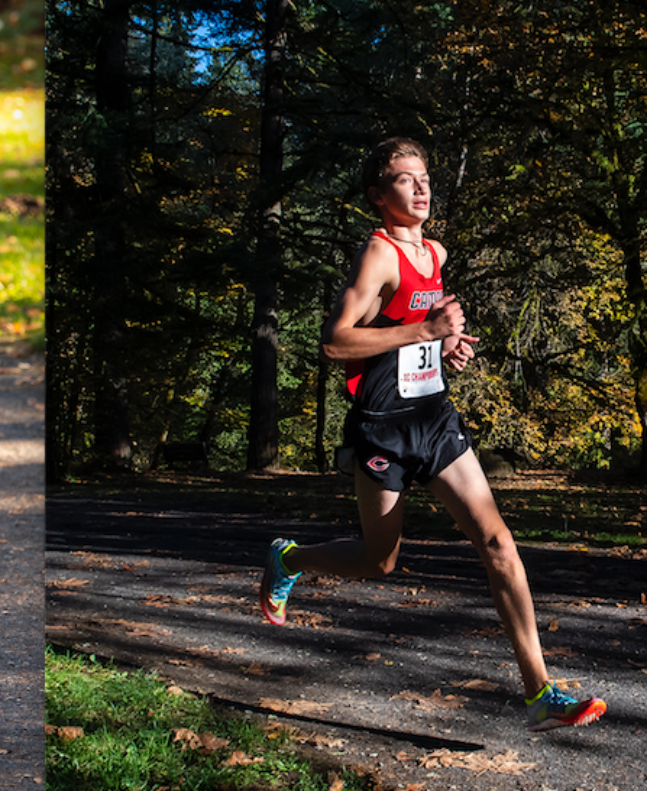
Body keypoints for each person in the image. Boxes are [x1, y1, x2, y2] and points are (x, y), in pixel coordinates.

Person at [259, 137, 606, 733]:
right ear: (378, 196)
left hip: (434, 419)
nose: (420, 188)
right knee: (379, 561)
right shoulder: (378, 256)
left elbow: (413, 328)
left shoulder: (434, 251)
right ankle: (290, 557)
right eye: (403, 179)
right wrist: (425, 326)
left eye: (424, 177)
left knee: (498, 542)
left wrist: (445, 344)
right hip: (381, 429)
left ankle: (539, 693)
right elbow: (334, 342)